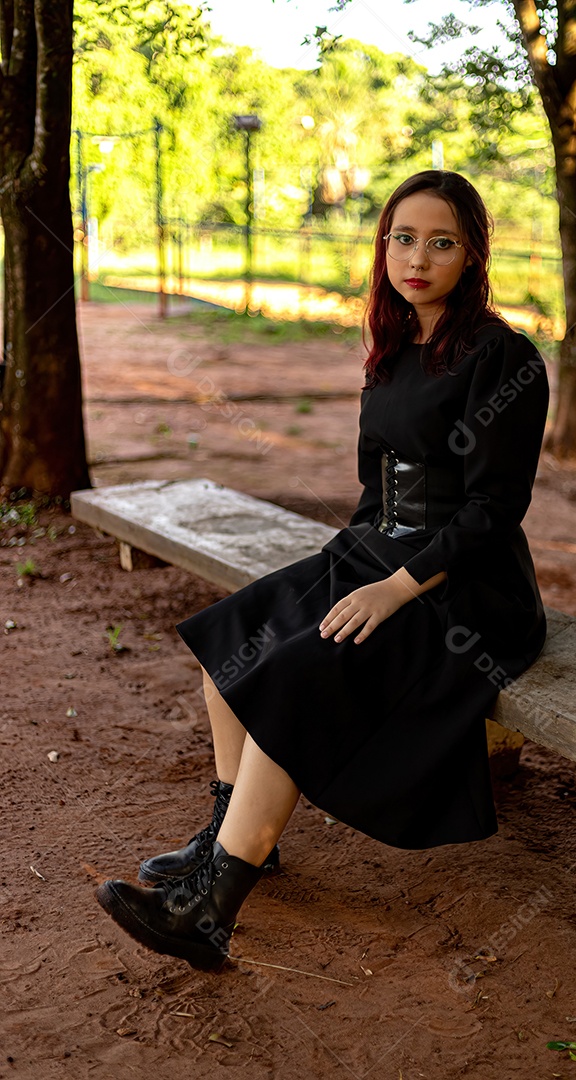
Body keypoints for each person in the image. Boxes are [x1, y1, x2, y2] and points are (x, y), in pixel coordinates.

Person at [96, 170, 550, 972]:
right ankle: (231, 841)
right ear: (383, 247)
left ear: (473, 254)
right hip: (378, 552)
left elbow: (492, 513)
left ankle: (209, 908)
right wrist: (340, 571)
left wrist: (394, 587)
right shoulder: (395, 344)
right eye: (402, 238)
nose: (417, 257)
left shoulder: (502, 357)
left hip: (468, 587)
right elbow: (375, 488)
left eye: (440, 242)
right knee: (231, 650)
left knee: (297, 679)